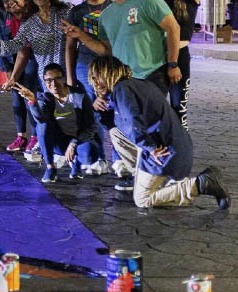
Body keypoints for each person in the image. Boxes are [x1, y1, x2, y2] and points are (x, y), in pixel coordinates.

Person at [89, 56, 230, 209]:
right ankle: (143, 177)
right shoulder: (137, 84)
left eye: (98, 77)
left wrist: (150, 149)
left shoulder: (121, 90)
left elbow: (132, 123)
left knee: (142, 200)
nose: (95, 83)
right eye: (93, 78)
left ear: (109, 73)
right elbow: (116, 125)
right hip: (176, 146)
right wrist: (102, 106)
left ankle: (201, 184)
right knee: (115, 133)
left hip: (164, 152)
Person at [61, 0, 180, 96]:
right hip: (122, 79)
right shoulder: (106, 15)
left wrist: (173, 64)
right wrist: (80, 35)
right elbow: (106, 51)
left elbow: (173, 28)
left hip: (152, 75)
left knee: (151, 117)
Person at [0, 0, 72, 158]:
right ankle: (51, 155)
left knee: (73, 114)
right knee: (47, 114)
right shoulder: (30, 23)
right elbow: (17, 46)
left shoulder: (66, 12)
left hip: (67, 71)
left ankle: (78, 149)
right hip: (45, 75)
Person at [150, 0, 215, 130]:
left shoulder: (188, 0)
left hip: (181, 57)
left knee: (179, 108)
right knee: (155, 108)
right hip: (155, 58)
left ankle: (180, 150)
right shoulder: (150, 3)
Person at [15, 63, 101, 183]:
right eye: (49, 80)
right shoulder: (45, 98)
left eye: (57, 79)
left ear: (64, 78)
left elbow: (91, 125)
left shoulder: (79, 96)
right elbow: (41, 119)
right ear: (44, 82)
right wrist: (33, 101)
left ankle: (77, 163)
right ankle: (51, 167)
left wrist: (74, 143)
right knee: (42, 125)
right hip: (58, 141)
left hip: (78, 140)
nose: (53, 84)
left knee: (89, 153)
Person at [64, 0, 113, 168]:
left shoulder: (113, 7)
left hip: (111, 66)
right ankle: (98, 157)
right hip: (85, 66)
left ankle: (121, 159)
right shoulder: (77, 12)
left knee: (113, 109)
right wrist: (69, 76)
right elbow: (69, 46)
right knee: (92, 110)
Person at [0, 0, 40, 154]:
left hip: (40, 60)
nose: (10, 3)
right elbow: (22, 51)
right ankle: (22, 136)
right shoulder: (13, 21)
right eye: (5, 1)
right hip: (26, 57)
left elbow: (26, 53)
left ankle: (37, 136)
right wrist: (12, 79)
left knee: (29, 94)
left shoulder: (34, 15)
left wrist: (13, 78)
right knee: (17, 93)